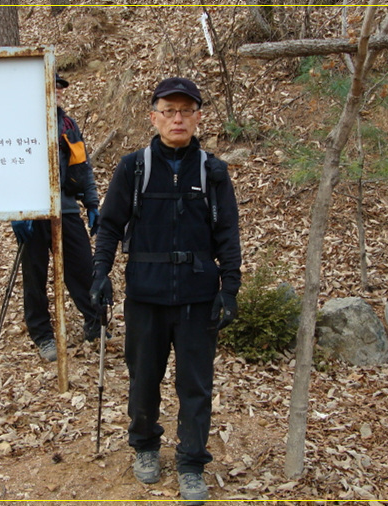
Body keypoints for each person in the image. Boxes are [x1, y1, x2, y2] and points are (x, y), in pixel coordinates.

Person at [90, 77, 241, 505]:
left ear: (197, 118)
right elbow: (110, 225)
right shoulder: (133, 167)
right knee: (144, 380)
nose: (177, 118)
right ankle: (146, 447)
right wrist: (101, 274)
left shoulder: (212, 171)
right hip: (145, 295)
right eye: (169, 111)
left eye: (186, 111)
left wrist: (230, 287)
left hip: (197, 296)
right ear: (153, 116)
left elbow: (228, 232)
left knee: (196, 386)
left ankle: (192, 462)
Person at [11, 73, 101, 362]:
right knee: (34, 275)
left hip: (67, 209)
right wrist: (18, 210)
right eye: (54, 85)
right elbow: (8, 167)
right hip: (33, 212)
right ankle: (43, 335)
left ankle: (93, 322)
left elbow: (83, 166)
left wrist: (91, 203)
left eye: (61, 86)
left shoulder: (68, 125)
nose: (60, 90)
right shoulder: (21, 124)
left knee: (82, 266)